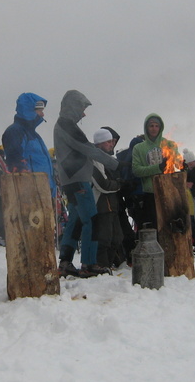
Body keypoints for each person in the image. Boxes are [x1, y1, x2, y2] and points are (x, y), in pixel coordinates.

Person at [54, 90, 119, 278]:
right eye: (82, 108)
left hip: (71, 179)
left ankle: (65, 262)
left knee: (75, 220)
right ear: (73, 106)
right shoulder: (67, 125)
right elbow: (88, 148)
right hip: (77, 179)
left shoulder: (65, 125)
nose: (84, 113)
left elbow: (85, 148)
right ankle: (89, 264)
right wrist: (116, 164)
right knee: (92, 219)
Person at [2, 92, 56, 198]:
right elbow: (15, 162)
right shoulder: (15, 131)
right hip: (31, 192)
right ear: (29, 110)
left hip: (43, 188)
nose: (42, 114)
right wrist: (26, 188)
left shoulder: (33, 134)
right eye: (39, 110)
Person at [132, 113, 178, 228]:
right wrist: (157, 168)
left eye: (156, 126)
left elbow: (177, 162)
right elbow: (136, 170)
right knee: (154, 227)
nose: (154, 128)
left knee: (171, 228)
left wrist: (183, 166)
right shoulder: (139, 148)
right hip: (150, 193)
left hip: (169, 191)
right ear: (146, 128)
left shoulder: (169, 144)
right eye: (151, 125)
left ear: (161, 127)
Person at [91, 129, 124, 270]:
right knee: (103, 238)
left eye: (112, 141)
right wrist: (119, 184)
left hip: (112, 204)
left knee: (116, 237)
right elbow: (102, 184)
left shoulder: (108, 161)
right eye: (108, 142)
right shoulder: (94, 159)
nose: (112, 144)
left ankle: (107, 265)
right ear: (99, 144)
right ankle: (101, 265)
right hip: (101, 204)